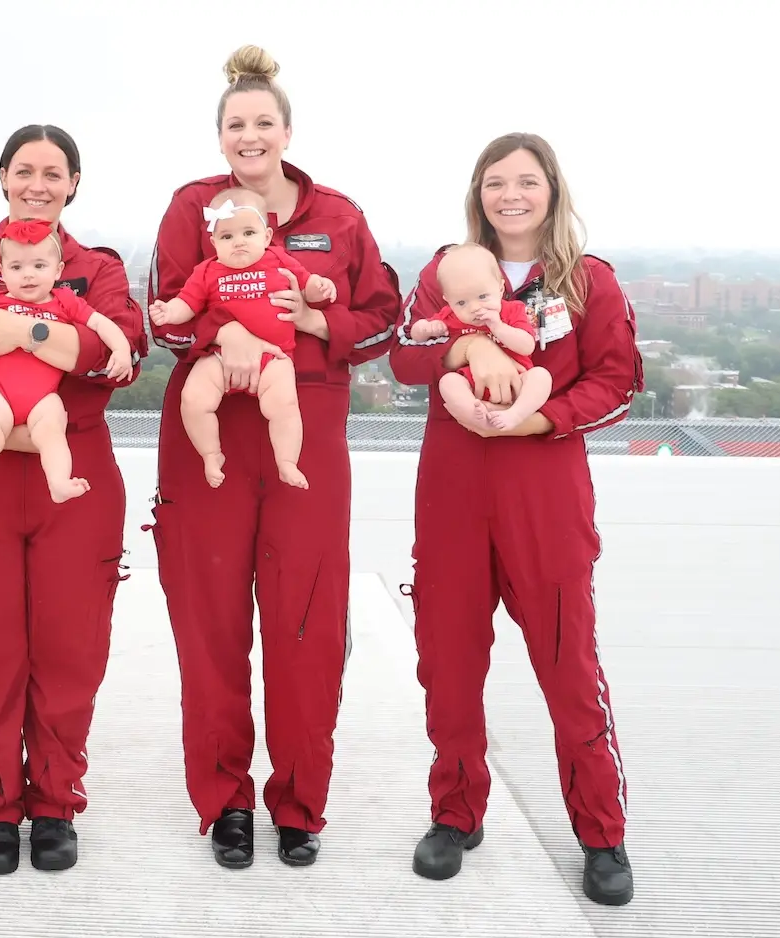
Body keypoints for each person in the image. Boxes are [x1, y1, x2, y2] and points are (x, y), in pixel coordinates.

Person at [146, 44, 402, 870]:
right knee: (211, 626)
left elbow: (385, 319)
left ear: (287, 130)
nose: (249, 137)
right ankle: (225, 802)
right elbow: (165, 317)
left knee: (307, 623)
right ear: (219, 135)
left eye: (263, 124)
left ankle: (300, 803)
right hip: (211, 441)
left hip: (304, 439)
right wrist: (214, 327)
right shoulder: (193, 209)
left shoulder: (339, 216)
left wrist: (320, 323)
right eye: (234, 126)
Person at [388, 131, 644, 906]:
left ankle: (601, 833)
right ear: (478, 193)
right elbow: (402, 358)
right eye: (495, 181)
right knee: (450, 665)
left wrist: (544, 419)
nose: (511, 195)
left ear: (552, 191)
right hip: (455, 496)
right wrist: (464, 357)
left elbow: (618, 380)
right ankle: (455, 813)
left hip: (545, 496)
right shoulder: (450, 272)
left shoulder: (585, 281)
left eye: (526, 181)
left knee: (569, 670)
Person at [0, 123, 147, 875]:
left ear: (74, 183)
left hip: (72, 484)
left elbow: (120, 358)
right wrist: (8, 430)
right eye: (23, 170)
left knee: (71, 650)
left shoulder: (97, 268)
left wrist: (23, 331)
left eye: (53, 172)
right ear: (2, 177)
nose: (37, 183)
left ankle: (55, 804)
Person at [0, 217, 134, 516]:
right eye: (17, 267)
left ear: (58, 270)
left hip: (44, 396)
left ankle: (59, 483)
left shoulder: (65, 301)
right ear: (2, 272)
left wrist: (121, 349)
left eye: (39, 266)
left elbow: (101, 324)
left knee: (52, 434)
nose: (28, 276)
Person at [148, 185, 337, 488]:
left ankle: (287, 460)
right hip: (219, 356)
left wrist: (318, 289)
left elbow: (308, 285)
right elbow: (187, 303)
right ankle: (211, 454)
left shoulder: (280, 260)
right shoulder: (207, 271)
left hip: (275, 357)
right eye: (227, 236)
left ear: (266, 236)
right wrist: (169, 312)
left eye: (248, 233)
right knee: (193, 399)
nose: (238, 242)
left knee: (285, 407)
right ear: (213, 243)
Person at [408, 242, 552, 433]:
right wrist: (426, 328)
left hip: (518, 379)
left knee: (541, 377)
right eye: (461, 302)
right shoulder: (450, 315)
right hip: (472, 382)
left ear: (500, 289)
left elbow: (527, 346)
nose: (475, 308)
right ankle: (474, 413)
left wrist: (498, 327)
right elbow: (414, 334)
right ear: (447, 300)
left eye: (483, 296)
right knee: (449, 382)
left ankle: (516, 414)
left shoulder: (511, 311)